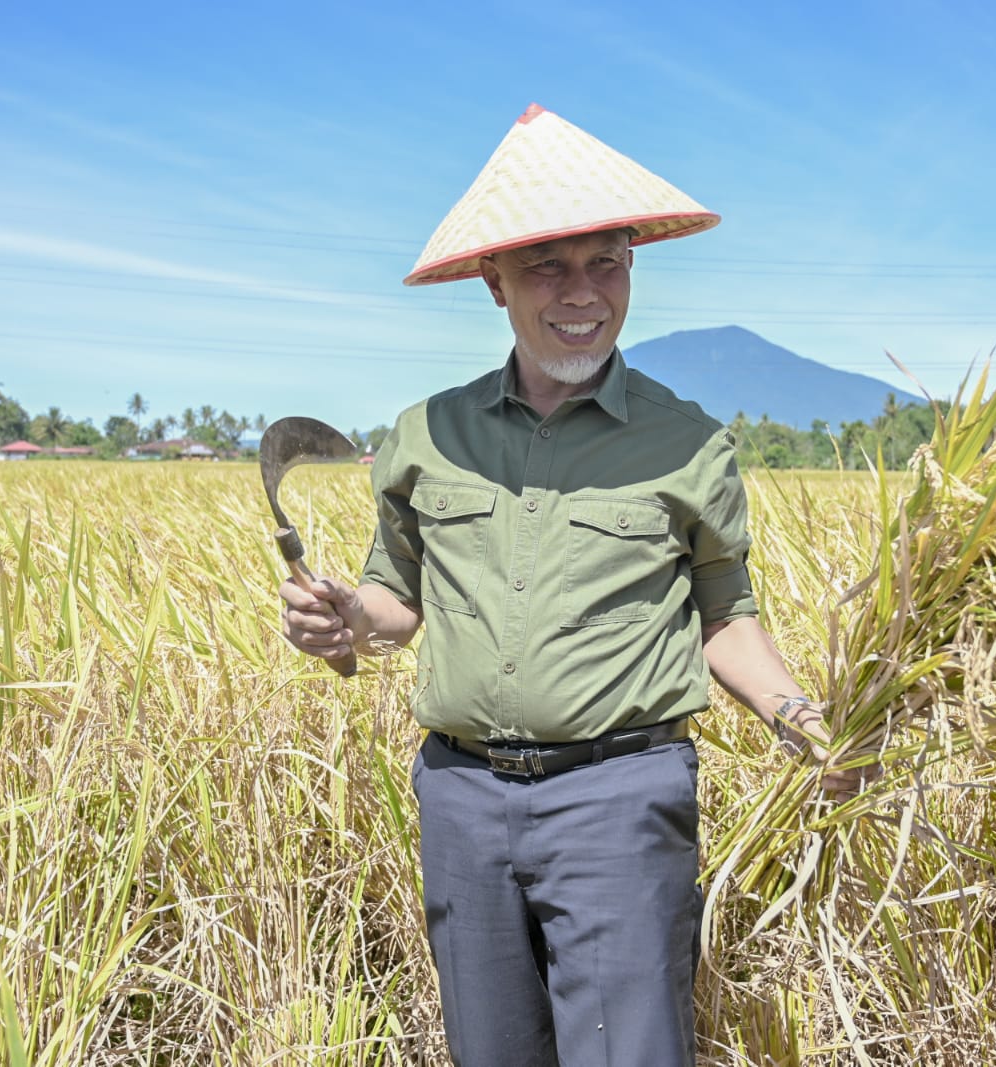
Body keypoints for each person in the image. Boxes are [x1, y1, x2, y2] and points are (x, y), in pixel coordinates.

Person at [279, 103, 851, 1066]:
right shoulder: (427, 435)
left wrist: (810, 723)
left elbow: (728, 622)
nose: (582, 291)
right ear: (492, 283)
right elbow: (397, 603)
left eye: (607, 261)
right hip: (461, 797)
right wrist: (343, 622)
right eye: (548, 264)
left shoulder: (688, 444)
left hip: (621, 800)